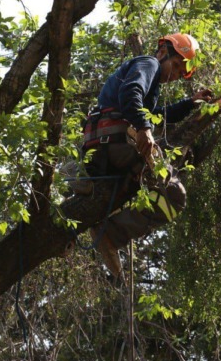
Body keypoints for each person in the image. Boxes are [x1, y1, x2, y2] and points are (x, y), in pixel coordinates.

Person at [79, 33, 213, 278]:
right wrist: (143, 129)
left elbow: (157, 115)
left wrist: (190, 103)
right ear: (163, 52)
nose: (175, 76)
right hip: (117, 145)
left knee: (147, 189)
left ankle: (94, 197)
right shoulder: (149, 64)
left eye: (181, 73)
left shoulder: (150, 82)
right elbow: (131, 93)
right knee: (174, 197)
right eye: (176, 66)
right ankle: (111, 232)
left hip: (103, 146)